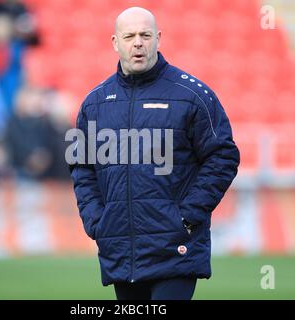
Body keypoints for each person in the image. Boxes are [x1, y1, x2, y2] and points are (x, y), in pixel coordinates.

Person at [69, 7, 240, 300]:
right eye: (130, 36)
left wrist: (187, 216)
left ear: (158, 39)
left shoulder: (192, 95)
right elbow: (81, 166)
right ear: (115, 42)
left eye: (145, 35)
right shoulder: (95, 103)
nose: (138, 42)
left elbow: (223, 156)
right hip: (121, 249)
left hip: (175, 248)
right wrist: (97, 219)